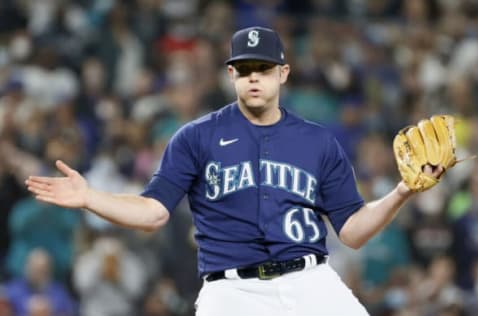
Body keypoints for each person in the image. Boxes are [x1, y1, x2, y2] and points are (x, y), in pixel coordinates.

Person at [25, 26, 445, 315]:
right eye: (244, 70)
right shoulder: (195, 137)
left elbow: (351, 232)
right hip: (231, 292)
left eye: (263, 69)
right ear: (231, 74)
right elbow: (153, 212)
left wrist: (401, 193)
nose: (253, 78)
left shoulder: (318, 141)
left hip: (309, 280)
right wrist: (89, 198)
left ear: (283, 73)